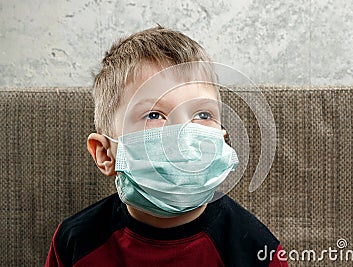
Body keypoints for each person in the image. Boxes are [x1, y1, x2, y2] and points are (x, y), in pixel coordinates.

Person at [45, 26, 288, 267]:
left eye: (203, 115)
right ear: (105, 154)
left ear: (221, 139)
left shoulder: (255, 250)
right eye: (154, 115)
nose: (183, 137)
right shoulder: (74, 242)